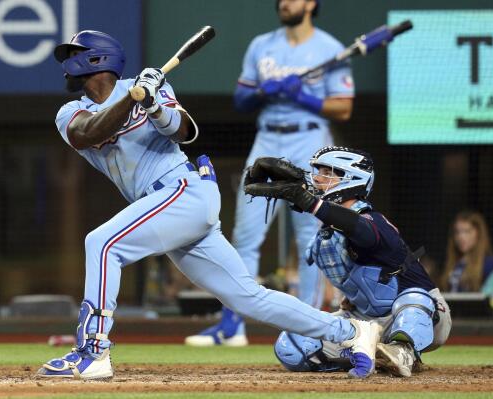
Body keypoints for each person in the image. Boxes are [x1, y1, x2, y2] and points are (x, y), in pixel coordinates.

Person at [37, 30, 382, 380]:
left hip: (183, 190)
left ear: (97, 59)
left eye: (73, 54)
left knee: (103, 243)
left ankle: (93, 350)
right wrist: (132, 100)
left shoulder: (151, 87)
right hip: (164, 207)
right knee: (247, 297)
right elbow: (88, 133)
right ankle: (353, 333)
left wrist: (154, 104)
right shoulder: (71, 111)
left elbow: (184, 132)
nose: (66, 64)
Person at [185, 0, 354, 347]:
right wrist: (265, 90)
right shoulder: (262, 44)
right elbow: (241, 98)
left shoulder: (330, 48)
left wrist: (303, 95)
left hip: (311, 142)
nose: (284, 3)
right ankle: (232, 326)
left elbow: (344, 107)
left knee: (312, 238)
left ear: (310, 4)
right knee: (245, 236)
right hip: (267, 138)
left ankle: (308, 329)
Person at [243, 146, 452, 377]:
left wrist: (309, 202)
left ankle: (403, 352)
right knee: (291, 345)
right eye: (317, 171)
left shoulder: (372, 219)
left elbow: (361, 231)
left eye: (328, 172)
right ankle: (367, 354)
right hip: (367, 322)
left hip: (425, 314)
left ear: (352, 179)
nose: (317, 178)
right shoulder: (326, 234)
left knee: (413, 299)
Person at [442, 210, 493, 292]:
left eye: (467, 231)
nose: (461, 237)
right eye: (457, 232)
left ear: (478, 233)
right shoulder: (453, 262)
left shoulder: (488, 263)